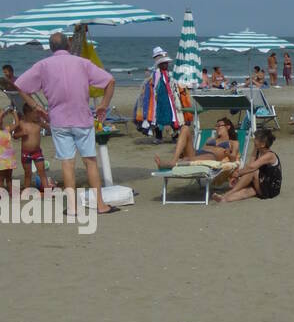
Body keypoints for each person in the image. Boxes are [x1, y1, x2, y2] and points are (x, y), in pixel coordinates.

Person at [14, 31, 115, 214]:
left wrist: (35, 106)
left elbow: (19, 85)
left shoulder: (43, 65)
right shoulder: (82, 63)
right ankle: (100, 205)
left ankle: (73, 208)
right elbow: (110, 80)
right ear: (68, 45)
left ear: (51, 48)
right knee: (90, 162)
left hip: (58, 120)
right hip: (82, 119)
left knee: (67, 163)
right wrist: (103, 105)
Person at [215, 128, 281, 204]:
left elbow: (252, 168)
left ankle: (228, 193)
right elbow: (250, 164)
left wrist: (238, 174)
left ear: (263, 144)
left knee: (253, 171)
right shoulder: (258, 150)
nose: (253, 140)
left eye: (256, 139)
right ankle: (224, 199)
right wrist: (240, 176)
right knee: (246, 191)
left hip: (271, 189)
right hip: (262, 183)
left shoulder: (270, 155)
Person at [135, 48, 183, 141]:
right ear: (160, 64)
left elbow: (172, 85)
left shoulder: (168, 74)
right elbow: (152, 87)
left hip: (168, 99)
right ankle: (159, 136)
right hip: (158, 99)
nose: (166, 65)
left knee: (172, 116)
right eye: (164, 63)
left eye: (167, 63)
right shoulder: (156, 74)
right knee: (157, 117)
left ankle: (174, 136)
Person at [154, 116, 238, 170]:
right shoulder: (211, 138)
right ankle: (174, 161)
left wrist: (228, 154)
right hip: (197, 153)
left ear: (228, 127)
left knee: (188, 159)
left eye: (219, 125)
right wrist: (184, 152)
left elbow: (234, 159)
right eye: (216, 126)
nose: (217, 128)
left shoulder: (233, 142)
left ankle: (166, 164)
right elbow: (202, 149)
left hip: (212, 156)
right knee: (185, 128)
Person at [12, 104, 54, 191]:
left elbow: (50, 128)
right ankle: (26, 190)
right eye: (35, 113)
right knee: (28, 173)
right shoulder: (21, 123)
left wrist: (46, 119)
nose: (37, 115)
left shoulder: (39, 122)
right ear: (27, 114)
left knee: (42, 172)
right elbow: (14, 136)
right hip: (25, 153)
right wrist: (21, 133)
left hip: (37, 152)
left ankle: (47, 191)